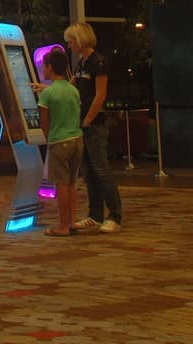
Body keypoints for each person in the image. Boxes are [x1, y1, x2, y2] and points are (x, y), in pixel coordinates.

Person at [65, 21, 122, 233]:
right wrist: (45, 88)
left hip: (95, 126)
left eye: (71, 41)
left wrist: (88, 119)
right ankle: (95, 214)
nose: (69, 45)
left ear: (80, 40)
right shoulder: (81, 64)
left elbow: (100, 95)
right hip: (83, 125)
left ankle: (115, 215)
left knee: (102, 170)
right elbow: (69, 86)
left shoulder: (98, 63)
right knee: (88, 172)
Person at [35, 46, 82, 237]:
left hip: (59, 141)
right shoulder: (73, 90)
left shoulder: (47, 94)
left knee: (61, 185)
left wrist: (49, 140)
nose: (43, 71)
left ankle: (62, 226)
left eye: (44, 67)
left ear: (50, 68)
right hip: (77, 139)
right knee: (71, 183)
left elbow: (45, 122)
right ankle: (71, 222)